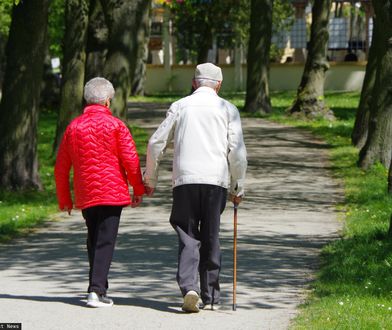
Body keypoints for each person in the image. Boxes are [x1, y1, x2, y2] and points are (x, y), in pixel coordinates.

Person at [144, 63, 247, 313]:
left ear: (194, 82)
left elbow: (156, 142)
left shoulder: (180, 106)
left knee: (188, 235)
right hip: (216, 181)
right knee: (211, 234)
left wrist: (150, 178)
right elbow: (238, 152)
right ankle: (210, 294)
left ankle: (189, 287)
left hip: (185, 180)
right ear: (219, 85)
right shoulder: (228, 109)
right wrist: (238, 185)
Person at [54, 77, 145, 308]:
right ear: (106, 101)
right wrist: (138, 188)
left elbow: (61, 167)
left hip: (86, 193)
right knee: (105, 241)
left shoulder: (73, 127)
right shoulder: (116, 126)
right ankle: (95, 290)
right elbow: (130, 160)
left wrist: (65, 199)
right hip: (112, 192)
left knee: (94, 239)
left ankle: (98, 288)